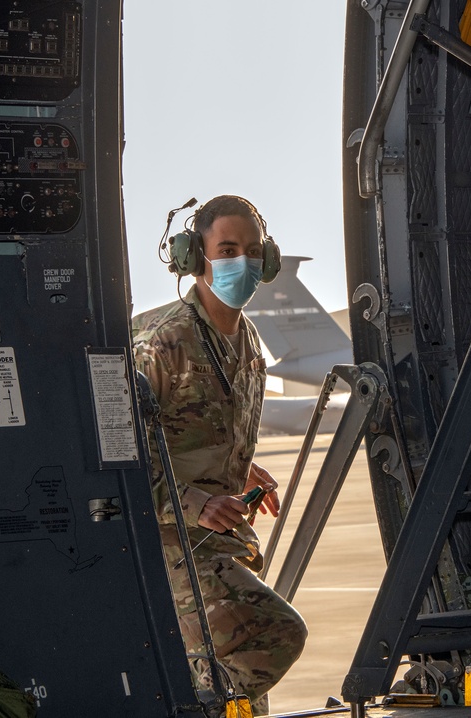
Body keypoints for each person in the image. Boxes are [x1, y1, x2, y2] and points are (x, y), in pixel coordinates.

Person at [133, 195, 307, 713]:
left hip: (220, 537)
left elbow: (191, 430)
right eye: (227, 249)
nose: (243, 263)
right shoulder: (164, 342)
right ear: (194, 257)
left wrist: (240, 465)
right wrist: (195, 501)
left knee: (246, 694)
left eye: (253, 251)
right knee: (272, 640)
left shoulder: (247, 340)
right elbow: (118, 454)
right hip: (169, 540)